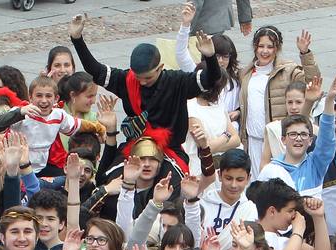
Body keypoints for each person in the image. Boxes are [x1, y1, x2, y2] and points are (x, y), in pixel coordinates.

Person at [68, 13, 223, 166]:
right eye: (138, 77)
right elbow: (96, 71)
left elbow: (211, 79)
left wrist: (210, 56)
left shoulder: (178, 81)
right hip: (134, 147)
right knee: (107, 179)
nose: (141, 83)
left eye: (147, 78)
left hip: (168, 153)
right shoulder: (126, 79)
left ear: (160, 68)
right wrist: (77, 39)